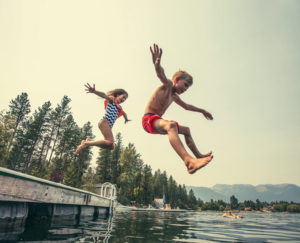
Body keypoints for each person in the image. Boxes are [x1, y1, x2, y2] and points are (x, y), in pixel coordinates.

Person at [142, 43, 213, 174]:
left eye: (187, 88)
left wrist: (202, 111)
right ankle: (189, 161)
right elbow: (161, 74)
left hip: (158, 121)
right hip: (149, 120)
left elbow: (187, 106)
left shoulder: (174, 97)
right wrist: (156, 64)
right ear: (176, 79)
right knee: (172, 126)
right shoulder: (168, 85)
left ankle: (197, 156)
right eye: (185, 85)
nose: (185, 89)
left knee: (186, 130)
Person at [75, 83, 130, 154]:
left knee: (111, 146)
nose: (124, 99)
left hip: (108, 126)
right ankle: (86, 143)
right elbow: (104, 95)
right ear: (118, 95)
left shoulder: (119, 108)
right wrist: (94, 91)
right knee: (110, 142)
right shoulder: (112, 100)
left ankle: (89, 142)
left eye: (125, 99)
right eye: (123, 97)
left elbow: (124, 113)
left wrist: (126, 119)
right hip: (104, 122)